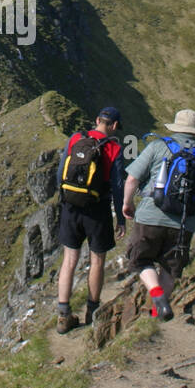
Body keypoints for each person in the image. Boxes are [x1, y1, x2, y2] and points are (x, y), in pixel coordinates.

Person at [122, 109, 195, 320]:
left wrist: (127, 203)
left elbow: (132, 179)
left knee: (141, 261)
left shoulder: (157, 146)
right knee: (170, 269)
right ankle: (156, 312)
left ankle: (157, 296)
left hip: (150, 217)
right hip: (183, 224)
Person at [55, 106, 126, 333]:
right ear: (114, 126)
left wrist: (64, 198)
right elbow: (117, 186)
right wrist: (121, 219)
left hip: (71, 206)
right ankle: (92, 312)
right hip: (97, 209)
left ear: (97, 120)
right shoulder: (114, 148)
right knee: (97, 261)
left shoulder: (76, 138)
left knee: (69, 260)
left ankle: (63, 315)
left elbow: (60, 172)